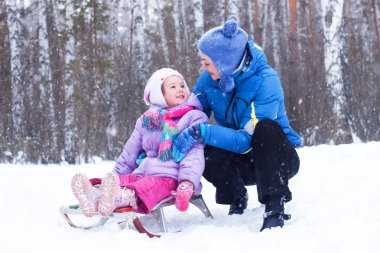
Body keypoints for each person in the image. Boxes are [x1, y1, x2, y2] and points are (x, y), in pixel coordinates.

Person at [171, 20, 301, 232]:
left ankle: (274, 207)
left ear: (224, 62)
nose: (202, 67)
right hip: (244, 164)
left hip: (277, 160)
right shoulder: (209, 79)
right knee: (203, 149)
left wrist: (204, 131)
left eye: (206, 62)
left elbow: (247, 140)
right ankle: (237, 195)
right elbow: (191, 112)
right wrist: (165, 128)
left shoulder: (265, 81)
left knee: (266, 128)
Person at [71, 68, 209, 217]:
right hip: (143, 172)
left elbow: (194, 154)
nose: (180, 90)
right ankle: (96, 194)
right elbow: (129, 153)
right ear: (159, 94)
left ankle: (117, 199)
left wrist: (187, 182)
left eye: (182, 85)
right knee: (126, 181)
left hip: (171, 178)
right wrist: (114, 178)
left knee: (145, 187)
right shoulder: (148, 120)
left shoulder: (193, 117)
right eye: (173, 87)